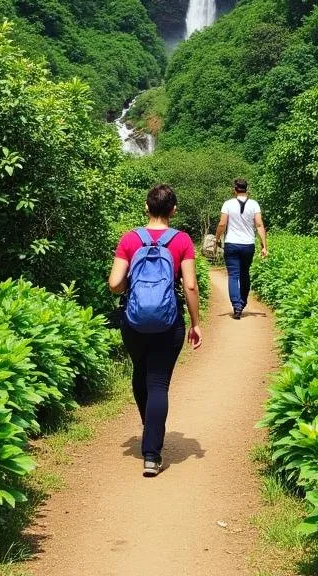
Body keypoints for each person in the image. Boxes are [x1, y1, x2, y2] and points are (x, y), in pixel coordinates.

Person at [108, 183, 202, 477]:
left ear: (146, 207)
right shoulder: (182, 241)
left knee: (140, 373)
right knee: (158, 382)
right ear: (173, 210)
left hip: (134, 321)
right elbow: (189, 285)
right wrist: (197, 324)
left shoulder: (130, 239)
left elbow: (114, 284)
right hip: (168, 321)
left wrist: (131, 284)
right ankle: (152, 454)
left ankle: (148, 428)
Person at [215, 178, 267, 319]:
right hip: (248, 245)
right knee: (245, 274)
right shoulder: (254, 204)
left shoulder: (228, 204)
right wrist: (264, 246)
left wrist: (217, 239)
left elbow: (222, 224)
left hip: (231, 244)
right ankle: (242, 303)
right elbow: (259, 225)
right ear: (247, 189)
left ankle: (236, 307)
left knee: (233, 276)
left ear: (234, 189)